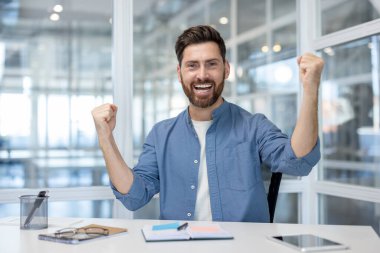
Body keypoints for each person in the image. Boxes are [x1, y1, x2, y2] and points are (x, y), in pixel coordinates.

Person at [92, 25, 324, 222]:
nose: (202, 75)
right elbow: (134, 196)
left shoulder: (254, 126)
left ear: (226, 69)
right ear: (180, 73)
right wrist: (105, 138)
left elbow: (298, 162)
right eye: (192, 65)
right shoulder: (161, 134)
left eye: (211, 64)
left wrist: (310, 90)